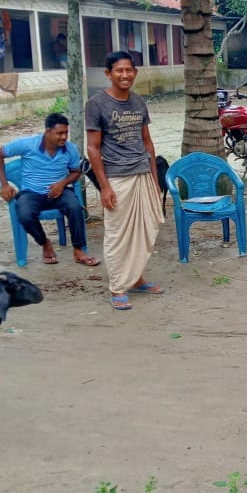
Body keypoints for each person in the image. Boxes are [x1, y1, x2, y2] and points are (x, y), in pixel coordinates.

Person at [85, 51, 164, 311]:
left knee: (145, 230)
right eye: (119, 70)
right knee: (118, 234)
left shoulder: (138, 101)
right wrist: (104, 186)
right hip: (117, 177)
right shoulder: (96, 104)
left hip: (142, 173)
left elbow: (147, 142)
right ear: (108, 74)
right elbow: (93, 148)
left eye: (129, 70)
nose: (125, 75)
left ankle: (136, 278)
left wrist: (154, 179)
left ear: (135, 72)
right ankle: (118, 287)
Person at [0, 113, 99, 267]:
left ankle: (78, 250)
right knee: (25, 214)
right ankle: (45, 243)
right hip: (31, 193)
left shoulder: (70, 149)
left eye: (66, 133)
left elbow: (75, 172)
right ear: (47, 131)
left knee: (75, 207)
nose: (64, 137)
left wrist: (63, 183)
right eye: (59, 133)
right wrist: (4, 185)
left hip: (60, 192)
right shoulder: (27, 144)